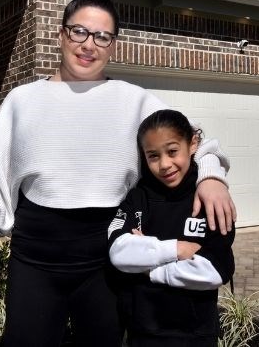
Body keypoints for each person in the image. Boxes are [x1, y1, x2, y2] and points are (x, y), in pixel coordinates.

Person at [0, 0, 236, 347]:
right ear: (61, 35)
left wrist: (212, 177)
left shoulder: (134, 101)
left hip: (105, 259)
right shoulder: (21, 101)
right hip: (36, 257)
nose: (89, 44)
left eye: (102, 36)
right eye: (79, 32)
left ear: (113, 46)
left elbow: (193, 141)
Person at [108, 109, 235, 347]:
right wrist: (176, 249)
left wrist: (150, 267)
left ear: (193, 143)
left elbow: (215, 270)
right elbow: (119, 251)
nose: (165, 164)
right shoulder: (138, 198)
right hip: (143, 332)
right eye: (153, 156)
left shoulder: (211, 199)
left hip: (196, 334)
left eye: (173, 151)